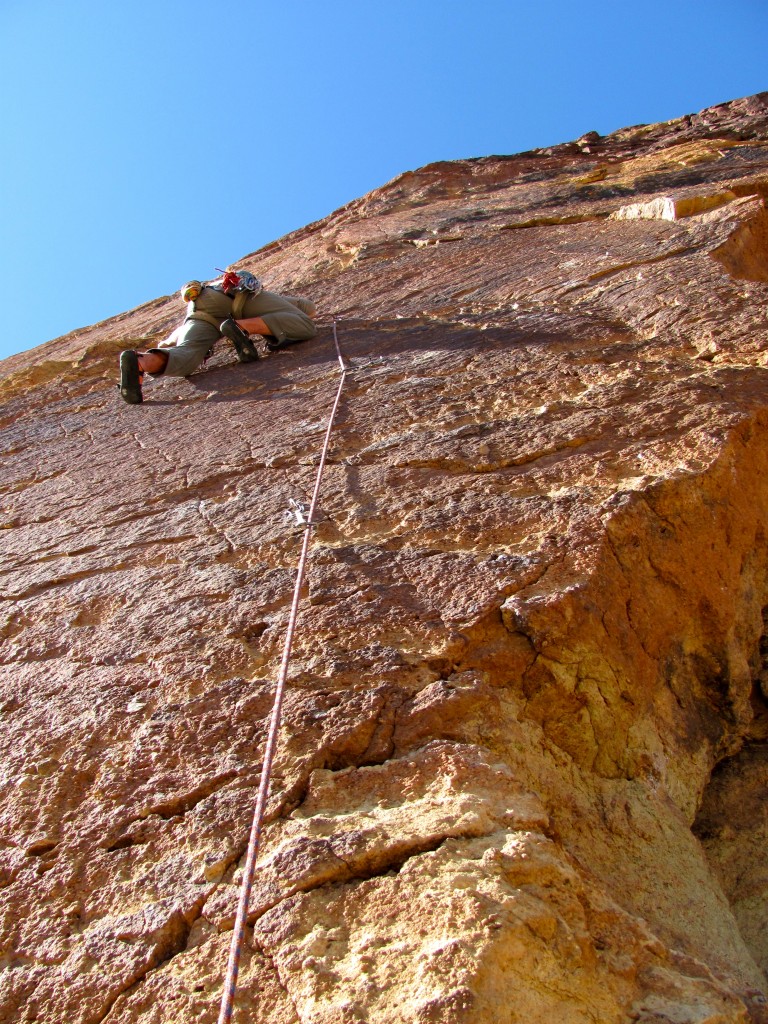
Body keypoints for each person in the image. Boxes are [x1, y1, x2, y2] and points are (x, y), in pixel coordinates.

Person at [118, 269, 317, 404]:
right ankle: (239, 327)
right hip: (235, 295)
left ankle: (141, 363)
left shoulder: (202, 292)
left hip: (199, 310)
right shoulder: (281, 301)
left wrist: (169, 341)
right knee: (305, 326)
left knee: (187, 354)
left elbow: (180, 332)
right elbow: (307, 311)